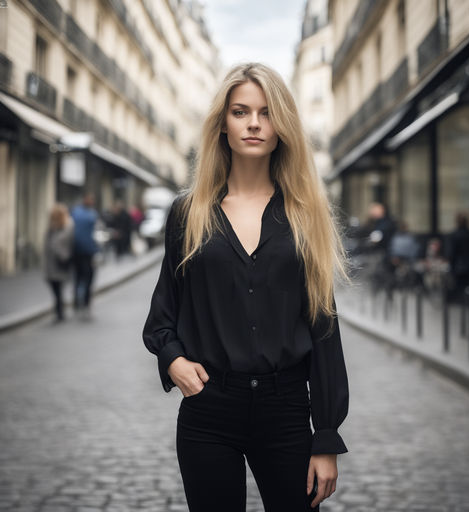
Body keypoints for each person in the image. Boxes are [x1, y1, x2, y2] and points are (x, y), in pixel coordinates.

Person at [143, 63, 350, 511]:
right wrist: (173, 360)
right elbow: (162, 317)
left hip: (287, 410)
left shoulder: (304, 215)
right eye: (240, 111)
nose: (254, 123)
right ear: (222, 123)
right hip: (209, 410)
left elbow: (323, 328)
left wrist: (327, 436)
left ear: (282, 126)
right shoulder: (188, 213)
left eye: (266, 112)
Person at [43, 203, 74, 323]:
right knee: (56, 289)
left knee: (58, 289)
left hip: (61, 264)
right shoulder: (51, 228)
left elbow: (62, 245)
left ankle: (60, 312)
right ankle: (59, 310)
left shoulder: (68, 227)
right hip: (51, 265)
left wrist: (62, 255)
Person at [71, 193, 99, 320]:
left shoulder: (75, 213)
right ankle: (85, 304)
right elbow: (96, 234)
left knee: (78, 278)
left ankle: (77, 303)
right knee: (88, 279)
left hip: (76, 251)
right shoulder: (92, 215)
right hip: (88, 252)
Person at [445, 211, 469, 299]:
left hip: (458, 264)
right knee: (468, 285)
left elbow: (451, 252)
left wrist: (450, 262)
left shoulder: (454, 235)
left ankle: (460, 300)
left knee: (458, 285)